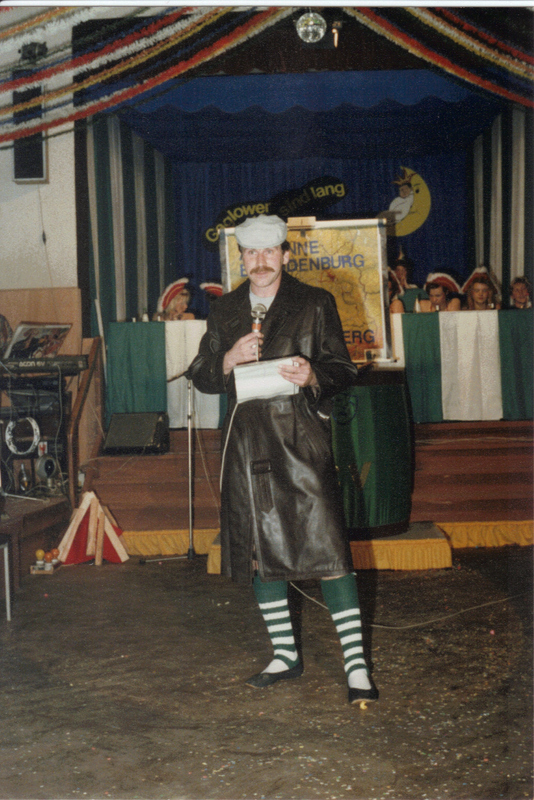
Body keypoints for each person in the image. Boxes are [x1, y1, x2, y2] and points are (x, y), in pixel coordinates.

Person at [189, 214, 378, 707]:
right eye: (251, 253)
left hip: (300, 442)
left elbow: (343, 368)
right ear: (241, 259)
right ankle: (284, 654)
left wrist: (313, 374)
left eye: (269, 251)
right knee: (259, 550)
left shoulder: (315, 302)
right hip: (246, 444)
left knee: (329, 551)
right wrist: (227, 359)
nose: (260, 261)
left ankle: (356, 666)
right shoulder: (225, 309)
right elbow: (202, 373)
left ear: (286, 255)